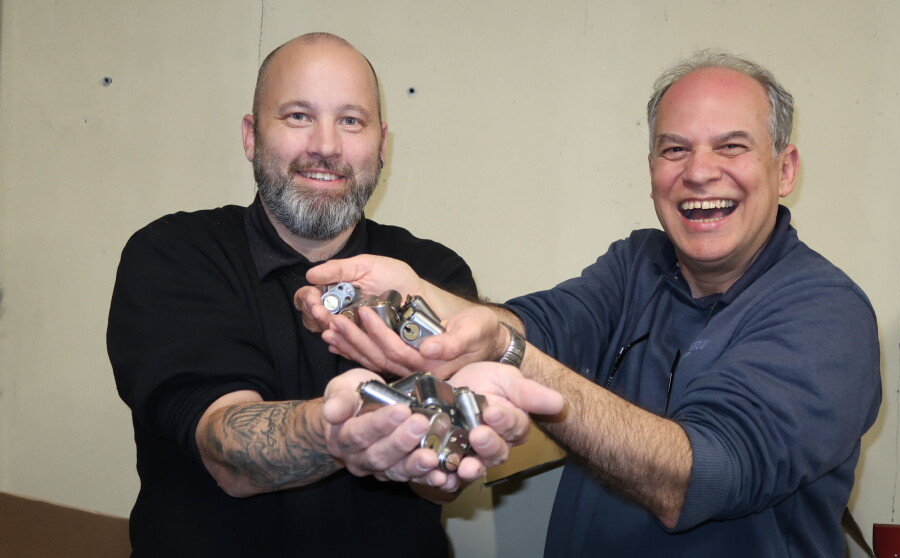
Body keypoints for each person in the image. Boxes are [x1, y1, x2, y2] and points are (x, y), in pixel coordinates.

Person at [296, 50, 883, 557]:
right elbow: (536, 328)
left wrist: (509, 354)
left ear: (785, 170)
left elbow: (696, 478)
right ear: (651, 168)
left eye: (732, 146)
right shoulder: (639, 266)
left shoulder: (828, 314)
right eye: (674, 149)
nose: (700, 172)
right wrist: (418, 300)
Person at [107, 32, 562, 558]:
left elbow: (437, 479)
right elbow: (228, 455)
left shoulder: (432, 272)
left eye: (351, 121)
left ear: (381, 145)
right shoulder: (174, 254)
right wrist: (339, 430)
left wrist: (454, 440)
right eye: (299, 116)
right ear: (252, 136)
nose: (326, 145)